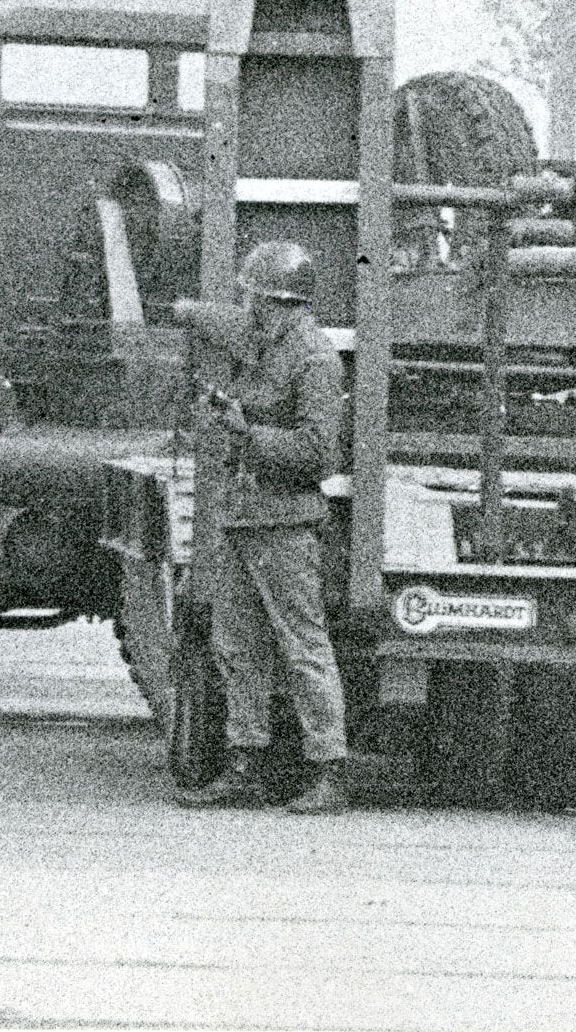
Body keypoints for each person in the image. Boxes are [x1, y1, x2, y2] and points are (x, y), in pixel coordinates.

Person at [172, 240, 351, 815]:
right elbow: (214, 321)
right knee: (237, 646)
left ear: (274, 303)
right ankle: (246, 761)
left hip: (285, 524)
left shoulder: (314, 359)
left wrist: (246, 431)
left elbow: (319, 453)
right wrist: (181, 310)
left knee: (302, 648)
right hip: (240, 519)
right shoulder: (259, 341)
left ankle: (328, 770)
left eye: (250, 295)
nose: (244, 305)